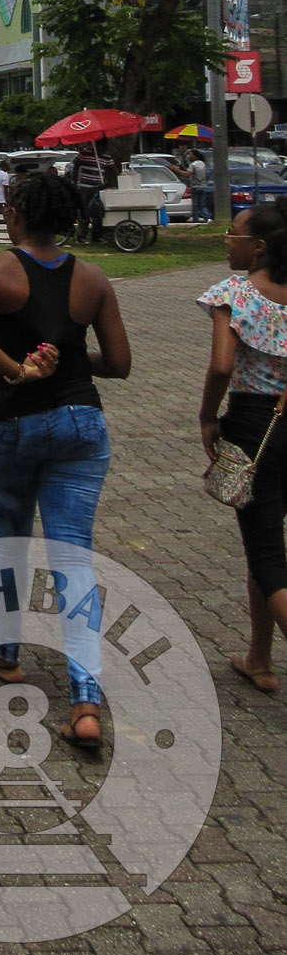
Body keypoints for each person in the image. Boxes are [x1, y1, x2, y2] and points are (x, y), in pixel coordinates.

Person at [0, 169, 131, 749]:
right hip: (81, 423)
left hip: (9, 423)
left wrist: (19, 368)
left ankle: (6, 653)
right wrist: (70, 362)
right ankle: (85, 700)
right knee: (72, 557)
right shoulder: (93, 278)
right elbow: (120, 363)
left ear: (16, 215)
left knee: (8, 540)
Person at [196, 202, 287, 693]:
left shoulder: (234, 294)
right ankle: (259, 658)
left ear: (260, 247)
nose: (227, 240)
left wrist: (209, 416)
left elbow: (221, 367)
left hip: (256, 425)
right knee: (265, 543)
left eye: (234, 234)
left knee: (269, 555)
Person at [188, 152, 211, 224]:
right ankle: (207, 218)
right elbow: (206, 175)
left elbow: (187, 174)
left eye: (190, 155)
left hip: (195, 187)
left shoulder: (192, 165)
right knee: (202, 205)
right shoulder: (202, 164)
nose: (188, 157)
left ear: (194, 156)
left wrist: (176, 170)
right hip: (203, 186)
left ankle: (196, 220)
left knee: (195, 205)